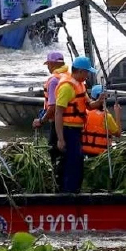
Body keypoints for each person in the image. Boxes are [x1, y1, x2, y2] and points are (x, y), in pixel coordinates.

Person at [54, 56, 92, 193]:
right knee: (72, 162)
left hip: (77, 130)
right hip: (68, 130)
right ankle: (68, 192)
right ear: (80, 71)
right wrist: (60, 139)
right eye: (87, 72)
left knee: (78, 161)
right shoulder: (67, 88)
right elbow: (58, 113)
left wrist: (99, 100)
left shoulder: (80, 85)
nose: (88, 75)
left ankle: (75, 190)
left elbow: (90, 105)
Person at [32, 51, 68, 184]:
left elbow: (52, 108)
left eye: (48, 64)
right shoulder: (69, 77)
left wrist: (41, 120)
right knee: (67, 156)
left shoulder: (54, 80)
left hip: (58, 123)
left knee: (54, 153)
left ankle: (57, 184)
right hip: (72, 124)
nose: (47, 67)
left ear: (52, 64)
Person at [81, 84, 122, 158]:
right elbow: (118, 133)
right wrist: (117, 113)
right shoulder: (106, 117)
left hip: (86, 152)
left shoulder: (85, 113)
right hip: (103, 155)